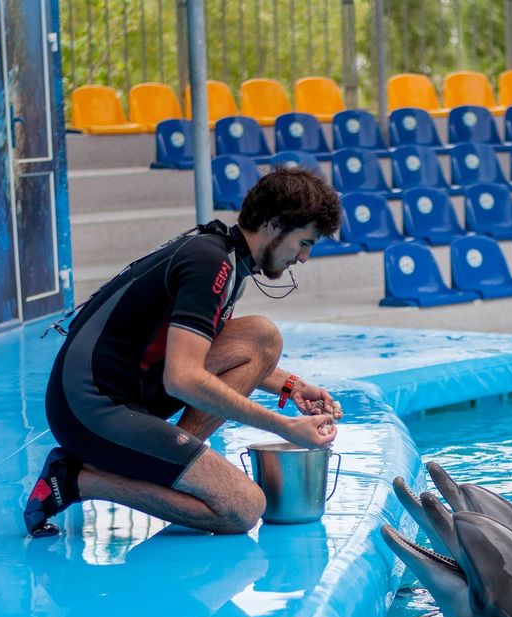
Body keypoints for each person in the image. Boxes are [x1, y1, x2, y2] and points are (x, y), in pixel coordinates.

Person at [24, 167, 344, 537]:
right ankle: (76, 480)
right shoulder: (211, 262)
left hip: (132, 389)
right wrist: (285, 426)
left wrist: (292, 388)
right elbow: (183, 378)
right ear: (274, 223)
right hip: (89, 409)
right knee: (243, 508)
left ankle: (170, 460)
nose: (303, 258)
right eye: (304, 242)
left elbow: (212, 354)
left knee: (261, 337)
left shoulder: (228, 257)